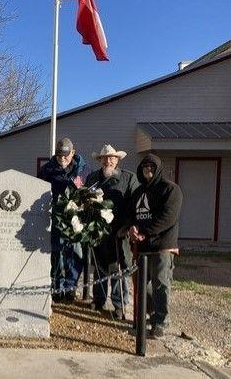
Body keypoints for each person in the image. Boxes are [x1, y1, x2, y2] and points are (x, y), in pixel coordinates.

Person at [119, 153, 182, 338]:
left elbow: (168, 218)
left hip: (162, 245)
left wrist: (145, 232)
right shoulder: (139, 192)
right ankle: (150, 315)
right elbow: (131, 214)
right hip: (141, 247)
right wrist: (130, 228)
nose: (148, 169)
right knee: (141, 285)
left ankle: (160, 322)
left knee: (160, 283)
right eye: (145, 166)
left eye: (152, 166)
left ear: (158, 169)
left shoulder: (170, 189)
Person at [85, 144, 139, 319]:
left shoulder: (128, 178)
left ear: (117, 160)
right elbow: (85, 201)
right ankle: (98, 300)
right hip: (98, 231)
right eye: (105, 158)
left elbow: (135, 205)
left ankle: (119, 304)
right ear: (100, 160)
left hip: (119, 231)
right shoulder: (93, 177)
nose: (109, 161)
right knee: (99, 267)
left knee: (118, 268)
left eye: (112, 158)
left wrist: (127, 226)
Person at [38, 137, 90, 303]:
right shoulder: (47, 170)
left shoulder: (84, 169)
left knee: (75, 254)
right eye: (59, 155)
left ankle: (70, 288)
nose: (62, 158)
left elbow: (91, 192)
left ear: (72, 153)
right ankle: (57, 288)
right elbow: (37, 190)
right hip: (56, 218)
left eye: (66, 155)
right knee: (57, 254)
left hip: (77, 220)